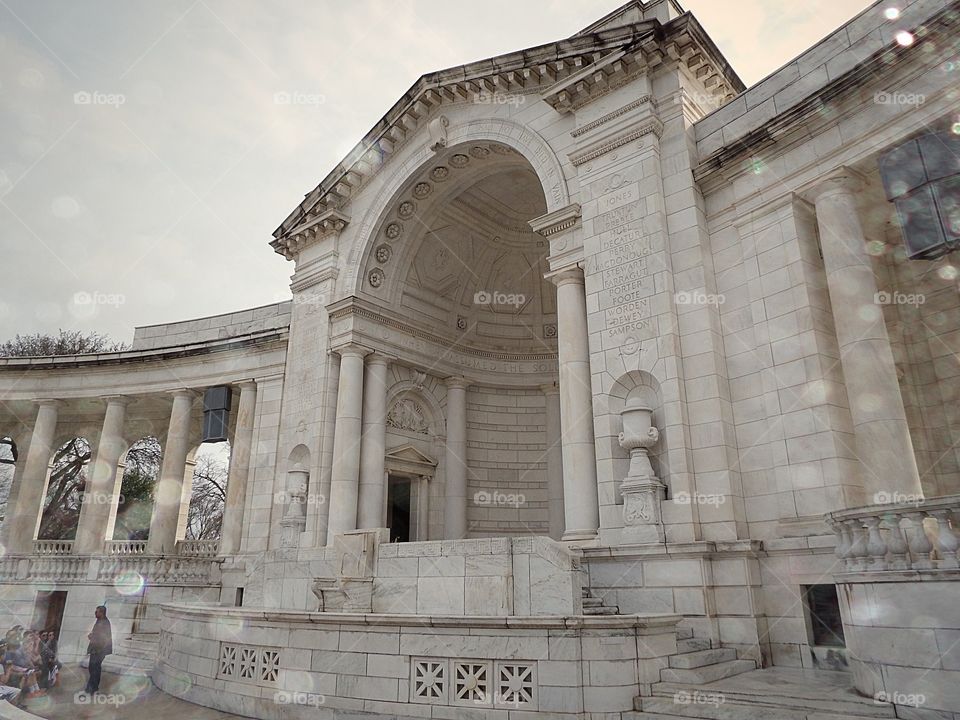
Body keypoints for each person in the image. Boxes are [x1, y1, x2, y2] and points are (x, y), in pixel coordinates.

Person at [84, 605, 112, 695]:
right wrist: (91, 636)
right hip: (95, 649)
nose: (95, 613)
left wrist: (95, 641)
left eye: (97, 612)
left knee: (94, 668)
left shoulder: (105, 623)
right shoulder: (99, 621)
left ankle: (91, 688)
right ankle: (93, 687)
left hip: (99, 650)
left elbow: (104, 637)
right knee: (93, 668)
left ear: (102, 613)